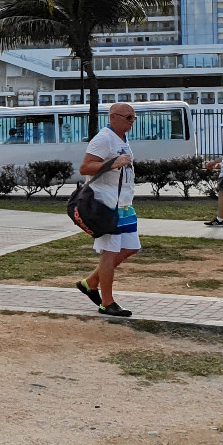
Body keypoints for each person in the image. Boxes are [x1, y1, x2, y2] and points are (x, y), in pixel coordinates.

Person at [75, 103, 139, 318]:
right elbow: (85, 167)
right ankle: (107, 302)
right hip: (107, 204)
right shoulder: (104, 138)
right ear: (114, 117)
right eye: (128, 117)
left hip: (124, 204)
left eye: (133, 117)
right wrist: (113, 163)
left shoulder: (122, 138)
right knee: (109, 253)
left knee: (130, 248)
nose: (132, 121)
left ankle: (91, 282)